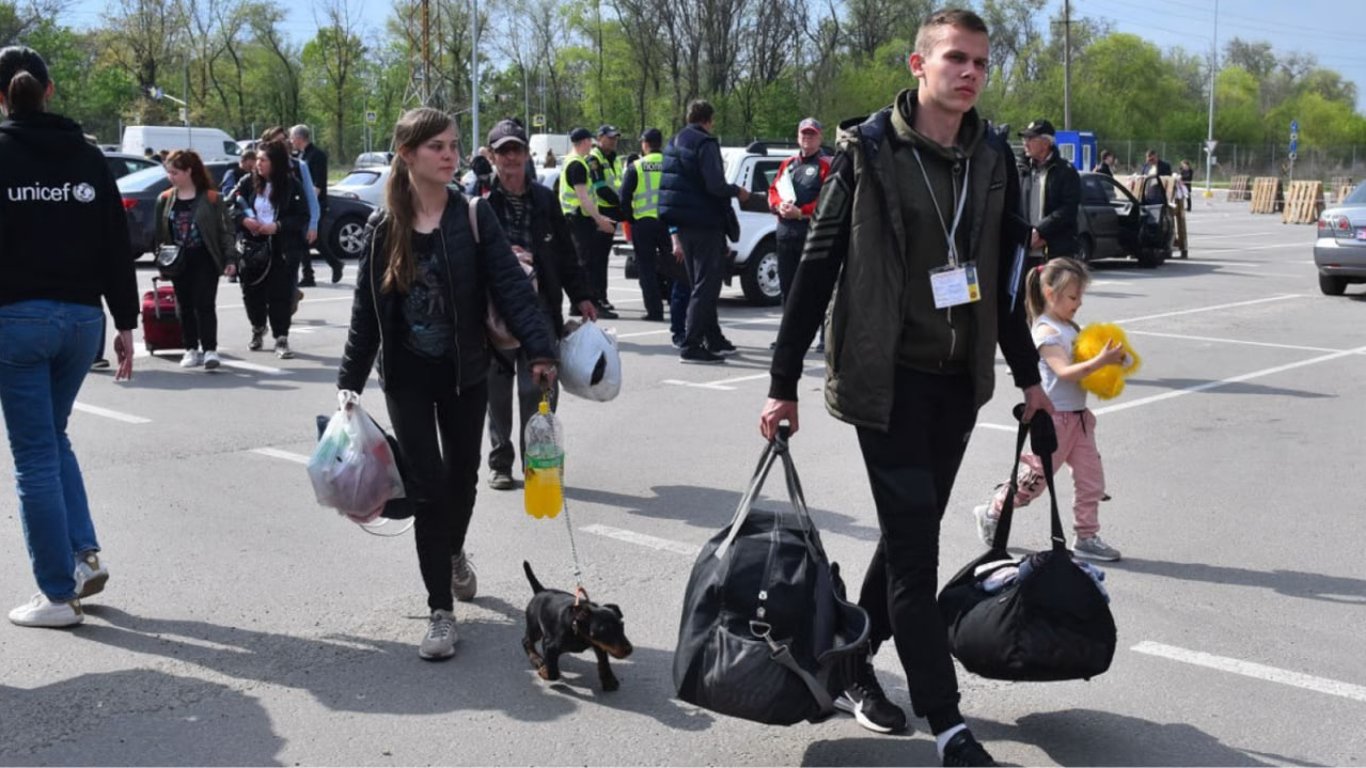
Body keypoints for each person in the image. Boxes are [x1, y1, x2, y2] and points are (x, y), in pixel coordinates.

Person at [757, 10, 1051, 766]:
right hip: (885, 383)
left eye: (981, 62)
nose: (970, 72)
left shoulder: (994, 156)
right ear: (919, 65)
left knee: (904, 538)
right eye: (956, 58)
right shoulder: (867, 151)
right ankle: (948, 725)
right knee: (918, 556)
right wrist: (782, 382)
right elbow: (816, 268)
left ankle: (849, 663)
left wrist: (1030, 380)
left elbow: (1004, 282)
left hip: (957, 384)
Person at [337, 107, 557, 660]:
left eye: (454, 145)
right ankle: (440, 611)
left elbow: (511, 288)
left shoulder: (474, 217)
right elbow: (366, 312)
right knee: (429, 489)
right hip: (406, 378)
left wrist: (540, 350)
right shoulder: (383, 226)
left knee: (462, 480)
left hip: (465, 373)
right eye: (437, 146)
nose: (449, 154)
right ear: (407, 154)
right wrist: (349, 382)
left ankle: (452, 551)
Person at [0, 45, 138, 628]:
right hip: (83, 322)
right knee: (53, 439)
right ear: (50, 90)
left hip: (17, 321)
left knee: (34, 454)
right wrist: (126, 322)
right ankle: (83, 558)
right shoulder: (88, 157)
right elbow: (116, 243)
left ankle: (57, 596)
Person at [973, 257, 1125, 561]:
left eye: (1080, 297)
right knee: (1033, 483)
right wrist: (1101, 361)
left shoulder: (1070, 327)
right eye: (1073, 297)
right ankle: (992, 512)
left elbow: (1083, 369)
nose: (1079, 303)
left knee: (1091, 481)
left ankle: (1086, 536)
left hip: (1080, 420)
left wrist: (1112, 363)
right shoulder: (1045, 331)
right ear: (1050, 293)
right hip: (1054, 421)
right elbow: (1064, 372)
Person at [478, 118, 596, 491]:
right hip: (494, 310)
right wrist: (502, 255)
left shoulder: (545, 199)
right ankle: (501, 461)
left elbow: (565, 253)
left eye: (517, 149)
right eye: (503, 151)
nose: (511, 158)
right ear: (492, 156)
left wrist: (582, 295)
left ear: (527, 154)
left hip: (541, 306)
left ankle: (538, 464)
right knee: (497, 391)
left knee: (540, 387)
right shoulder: (479, 200)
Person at [660, 99, 751, 365]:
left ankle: (714, 338)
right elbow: (715, 185)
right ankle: (691, 345)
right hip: (704, 222)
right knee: (706, 286)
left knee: (700, 283)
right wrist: (737, 191)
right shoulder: (705, 143)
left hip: (683, 223)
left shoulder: (673, 142)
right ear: (709, 120)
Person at [154, 149, 235, 370]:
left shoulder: (211, 198)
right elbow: (160, 235)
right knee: (185, 305)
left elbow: (225, 231)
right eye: (169, 172)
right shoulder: (164, 199)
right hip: (178, 260)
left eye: (175, 172)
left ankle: (210, 350)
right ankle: (190, 348)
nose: (171, 177)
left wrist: (230, 259)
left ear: (189, 171)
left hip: (205, 257)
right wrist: (162, 263)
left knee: (205, 303)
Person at [228, 139, 308, 359]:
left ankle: (281, 337)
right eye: (257, 159)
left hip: (281, 248)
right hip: (251, 248)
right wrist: (244, 220)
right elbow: (229, 206)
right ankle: (258, 327)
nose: (258, 164)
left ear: (276, 162)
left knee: (280, 294)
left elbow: (302, 216)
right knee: (251, 292)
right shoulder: (247, 182)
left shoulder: (292, 185)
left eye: (263, 160)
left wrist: (278, 226)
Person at [767, 117, 830, 351]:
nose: (807, 138)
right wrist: (778, 205)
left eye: (812, 134)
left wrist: (801, 213)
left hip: (812, 235)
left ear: (820, 137)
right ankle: (788, 336)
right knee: (788, 289)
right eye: (804, 133)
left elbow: (828, 199)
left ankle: (825, 337)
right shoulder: (788, 164)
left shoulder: (826, 165)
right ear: (797, 136)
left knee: (816, 287)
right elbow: (773, 190)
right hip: (786, 234)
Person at [558, 127, 619, 319]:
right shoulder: (578, 164)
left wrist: (600, 218)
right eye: (590, 142)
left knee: (583, 262)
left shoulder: (572, 161)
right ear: (584, 142)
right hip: (579, 219)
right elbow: (584, 198)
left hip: (576, 217)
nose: (591, 146)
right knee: (588, 264)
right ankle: (592, 304)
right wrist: (600, 220)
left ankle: (577, 306)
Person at [618, 127, 672, 321]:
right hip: (668, 223)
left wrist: (630, 218)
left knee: (646, 269)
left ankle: (655, 312)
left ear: (645, 144)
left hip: (643, 223)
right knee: (672, 267)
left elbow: (624, 197)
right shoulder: (670, 164)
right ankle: (677, 306)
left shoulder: (637, 166)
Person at [1018, 119, 1080, 259]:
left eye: (1030, 139)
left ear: (1046, 143)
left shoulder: (1065, 171)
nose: (1025, 143)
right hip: (1024, 252)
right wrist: (1025, 234)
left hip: (1055, 253)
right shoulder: (1021, 170)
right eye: (1024, 139)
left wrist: (1041, 232)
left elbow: (1068, 210)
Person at [291, 124, 344, 286]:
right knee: (307, 240)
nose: (291, 141)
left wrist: (309, 205)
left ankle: (329, 266)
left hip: (315, 204)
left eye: (292, 137)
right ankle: (312, 274)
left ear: (299, 138)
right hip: (304, 204)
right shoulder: (301, 155)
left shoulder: (317, 155)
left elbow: (317, 185)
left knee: (311, 239)